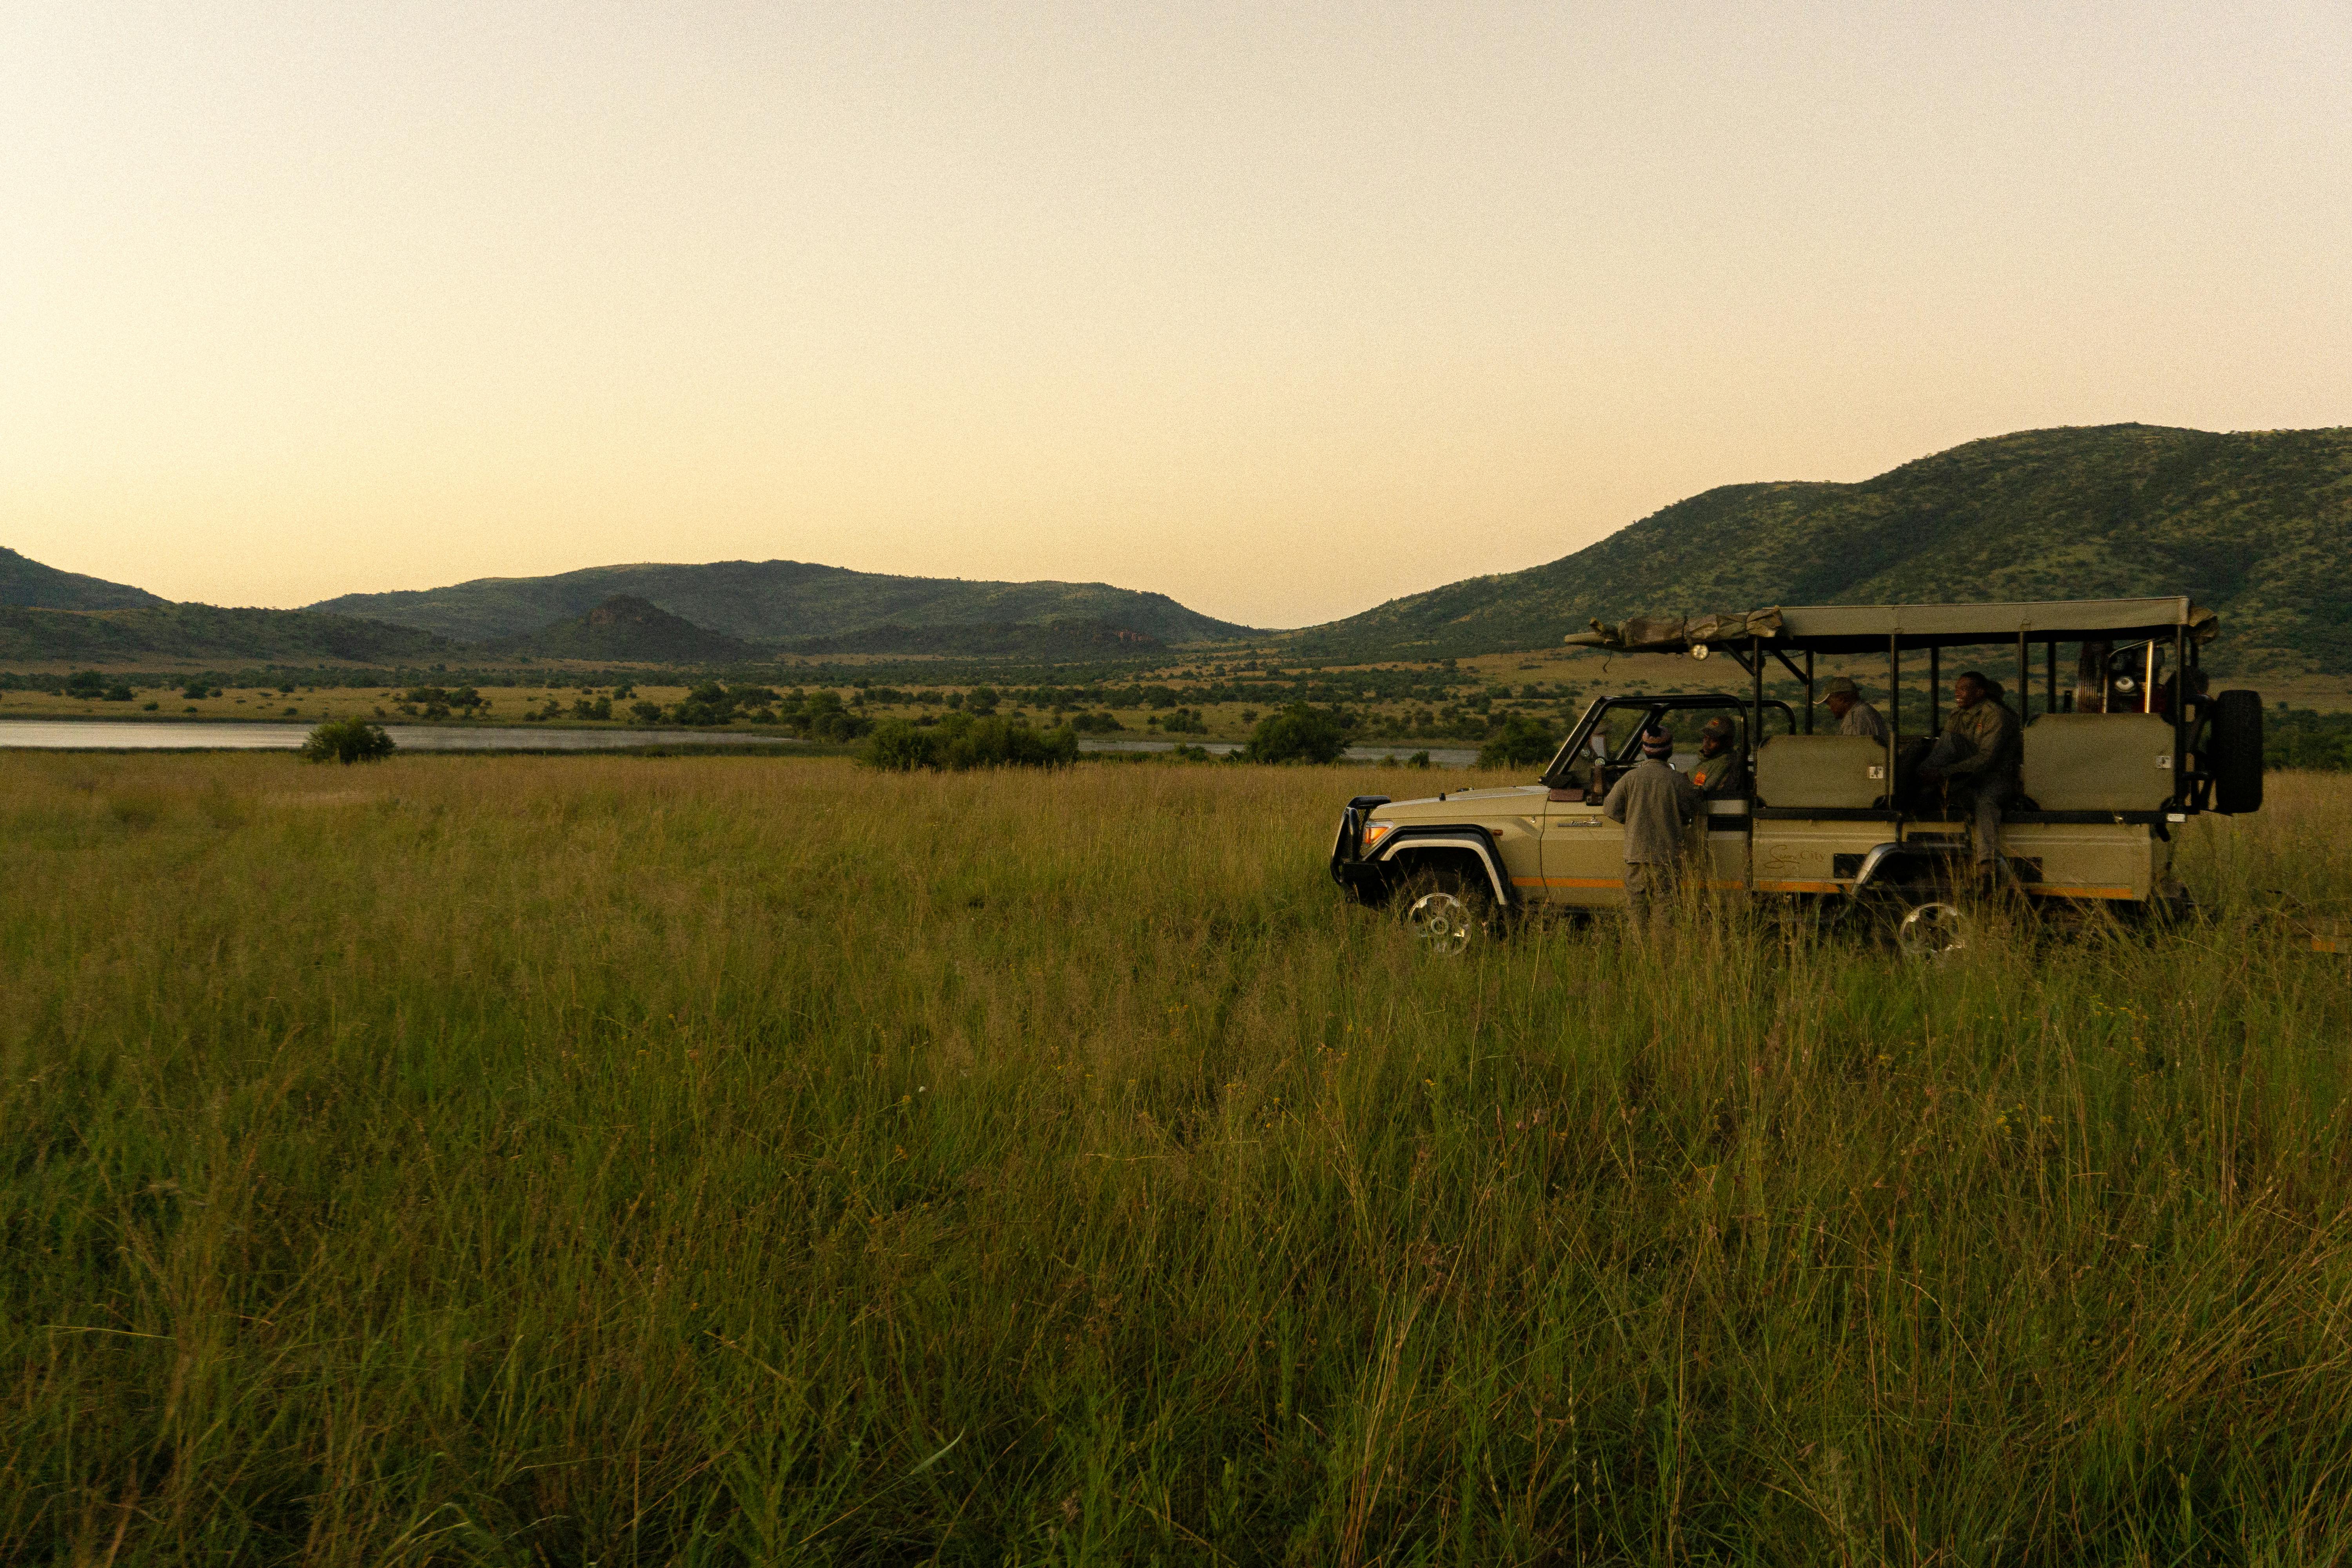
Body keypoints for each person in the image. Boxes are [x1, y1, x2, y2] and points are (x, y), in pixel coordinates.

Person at [1918, 670, 2022, 884]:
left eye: (1963, 689)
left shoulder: (1995, 715)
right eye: (1956, 689)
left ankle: (1987, 864)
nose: (1958, 693)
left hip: (1996, 777)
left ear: (1980, 692)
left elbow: (1987, 758)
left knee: (1986, 803)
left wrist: (1943, 773)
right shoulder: (1957, 715)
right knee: (1942, 747)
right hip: (1967, 777)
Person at [1603, 725, 1699, 927]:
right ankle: (1663, 954)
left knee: (1636, 915)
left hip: (1637, 855)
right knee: (1666, 915)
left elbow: (1610, 808)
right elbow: (1692, 811)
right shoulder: (1679, 781)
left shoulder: (1630, 778)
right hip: (1667, 858)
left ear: (1645, 750)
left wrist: (1631, 820)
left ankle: (1637, 954)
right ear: (1670, 750)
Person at [1689, 715, 1747, 798]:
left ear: (1728, 742)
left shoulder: (1725, 763)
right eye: (1705, 738)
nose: (1706, 744)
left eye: (1714, 740)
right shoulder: (1710, 762)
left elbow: (1702, 791)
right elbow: (1699, 782)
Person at [1817, 675, 1889, 741]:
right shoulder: (1864, 711)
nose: (1829, 708)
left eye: (1829, 703)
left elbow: (1850, 751)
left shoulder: (1856, 717)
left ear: (1841, 699)